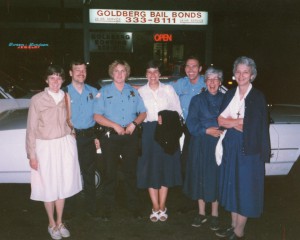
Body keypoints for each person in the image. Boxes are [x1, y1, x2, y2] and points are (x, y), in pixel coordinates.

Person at [216, 56, 270, 239]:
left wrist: (232, 122)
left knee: (245, 188)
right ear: (234, 74)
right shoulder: (230, 94)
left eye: (245, 72)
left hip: (249, 149)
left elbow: (253, 126)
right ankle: (233, 225)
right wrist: (237, 122)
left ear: (252, 75)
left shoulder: (258, 97)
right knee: (232, 186)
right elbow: (220, 120)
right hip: (231, 145)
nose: (241, 75)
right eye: (238, 71)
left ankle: (240, 230)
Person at [26, 65, 82, 239]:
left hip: (64, 145)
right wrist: (32, 155)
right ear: (46, 80)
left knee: (62, 186)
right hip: (45, 146)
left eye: (58, 78)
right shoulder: (37, 99)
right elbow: (31, 129)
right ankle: (51, 224)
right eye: (52, 78)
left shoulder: (66, 96)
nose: (55, 81)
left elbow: (69, 120)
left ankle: (60, 222)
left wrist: (72, 136)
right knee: (48, 186)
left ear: (63, 80)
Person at [94, 60, 147, 220]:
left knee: (130, 173)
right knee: (110, 173)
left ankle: (134, 207)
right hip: (111, 137)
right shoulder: (103, 92)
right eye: (116, 71)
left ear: (127, 73)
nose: (119, 74)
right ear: (112, 73)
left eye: (123, 71)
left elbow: (143, 112)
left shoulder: (133, 91)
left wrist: (134, 124)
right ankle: (107, 208)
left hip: (130, 136)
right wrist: (114, 125)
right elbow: (97, 116)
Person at [137, 60, 183, 222]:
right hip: (148, 132)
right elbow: (137, 113)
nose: (153, 75)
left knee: (165, 167)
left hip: (166, 132)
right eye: (149, 72)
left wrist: (167, 118)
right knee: (151, 168)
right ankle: (155, 206)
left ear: (160, 74)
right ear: (146, 74)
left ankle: (163, 206)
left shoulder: (168, 89)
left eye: (155, 71)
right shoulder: (141, 92)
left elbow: (178, 111)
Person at [183, 67, 224, 230]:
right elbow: (191, 122)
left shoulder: (227, 99)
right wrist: (206, 130)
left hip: (219, 143)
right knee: (200, 175)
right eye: (209, 79)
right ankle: (201, 213)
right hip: (200, 142)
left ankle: (214, 214)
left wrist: (220, 132)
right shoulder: (197, 100)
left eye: (216, 79)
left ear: (220, 82)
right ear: (205, 82)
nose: (212, 82)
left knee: (215, 177)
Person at [170, 56, 206, 213]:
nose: (191, 69)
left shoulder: (208, 82)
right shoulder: (181, 83)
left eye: (194, 66)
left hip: (200, 130)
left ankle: (198, 200)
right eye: (188, 66)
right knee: (184, 163)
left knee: (195, 163)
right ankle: (190, 198)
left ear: (200, 69)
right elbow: (159, 87)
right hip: (184, 128)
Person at [65, 59, 100, 218]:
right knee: (70, 173)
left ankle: (91, 208)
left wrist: (97, 135)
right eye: (77, 70)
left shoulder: (94, 91)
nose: (81, 73)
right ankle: (69, 209)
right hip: (69, 138)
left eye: (83, 70)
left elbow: (99, 115)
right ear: (71, 73)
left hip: (88, 137)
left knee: (89, 173)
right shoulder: (64, 92)